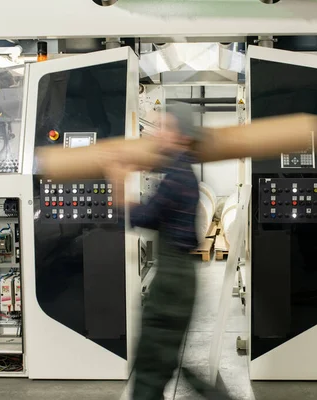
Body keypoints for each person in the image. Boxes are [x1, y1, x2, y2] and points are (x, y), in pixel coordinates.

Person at [127, 107, 233, 400]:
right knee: (162, 359)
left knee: (151, 366)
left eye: (163, 128)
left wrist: (116, 185)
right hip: (178, 278)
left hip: (173, 283)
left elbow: (145, 217)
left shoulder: (177, 176)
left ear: (181, 137)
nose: (155, 133)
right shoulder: (180, 171)